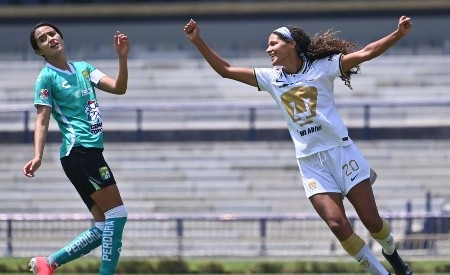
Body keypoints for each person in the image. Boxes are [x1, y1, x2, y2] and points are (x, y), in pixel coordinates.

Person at [184, 16, 413, 275]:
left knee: (372, 221)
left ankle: (393, 255)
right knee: (338, 225)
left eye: (273, 43)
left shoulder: (323, 67)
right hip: (311, 163)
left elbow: (365, 53)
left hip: (341, 152)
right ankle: (379, 273)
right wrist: (197, 41)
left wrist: (398, 34)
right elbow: (225, 70)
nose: (268, 49)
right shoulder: (271, 78)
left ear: (291, 44)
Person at [23, 22, 129, 275]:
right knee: (118, 214)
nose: (50, 38)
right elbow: (42, 118)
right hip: (79, 152)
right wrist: (38, 155)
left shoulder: (83, 69)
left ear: (60, 37)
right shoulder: (46, 77)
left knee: (104, 226)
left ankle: (48, 263)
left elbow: (119, 88)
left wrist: (122, 59)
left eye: (52, 34)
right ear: (39, 51)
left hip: (88, 153)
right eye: (42, 39)